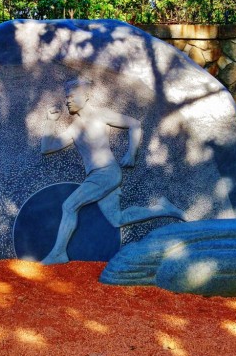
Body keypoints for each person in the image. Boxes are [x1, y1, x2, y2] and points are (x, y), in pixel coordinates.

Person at [40, 78, 184, 264]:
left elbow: (134, 124)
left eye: (71, 96)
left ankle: (59, 253)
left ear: (86, 96)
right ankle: (163, 208)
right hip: (97, 176)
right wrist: (50, 123)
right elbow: (47, 148)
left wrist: (131, 154)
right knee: (117, 218)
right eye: (66, 97)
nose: (67, 100)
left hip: (106, 173)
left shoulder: (100, 116)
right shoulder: (75, 128)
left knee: (69, 206)